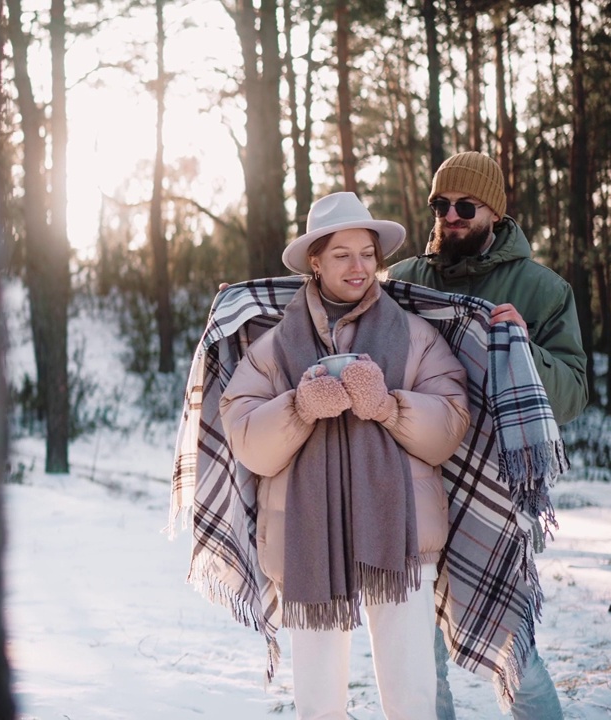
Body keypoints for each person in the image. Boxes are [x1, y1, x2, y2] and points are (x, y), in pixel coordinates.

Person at [218, 191, 471, 720]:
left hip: (400, 534)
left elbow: (450, 422)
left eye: (367, 254)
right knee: (318, 703)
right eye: (342, 255)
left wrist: (388, 406)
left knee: (411, 697)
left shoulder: (415, 335)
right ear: (315, 260)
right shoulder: (274, 346)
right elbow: (243, 434)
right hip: (307, 538)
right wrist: (299, 406)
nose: (359, 267)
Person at [387, 151, 590, 720]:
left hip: (498, 494)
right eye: (441, 205)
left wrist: (523, 350)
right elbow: (339, 312)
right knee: (418, 661)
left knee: (512, 653)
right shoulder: (403, 283)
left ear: (494, 214)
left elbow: (573, 394)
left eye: (464, 206)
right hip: (414, 488)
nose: (450, 215)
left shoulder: (542, 290)